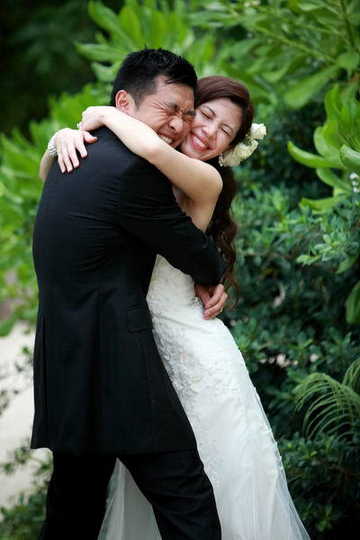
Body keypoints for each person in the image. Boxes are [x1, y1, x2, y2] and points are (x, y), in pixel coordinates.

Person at [44, 75, 310, 539]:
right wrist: (63, 140)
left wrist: (104, 115)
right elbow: (64, 186)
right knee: (140, 492)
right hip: (137, 348)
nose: (209, 133)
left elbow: (152, 151)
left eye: (226, 132)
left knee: (208, 481)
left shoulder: (201, 177)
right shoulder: (130, 168)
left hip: (190, 350)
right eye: (205, 116)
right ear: (186, 113)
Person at [32, 49, 229, 540]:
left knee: (73, 505)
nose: (181, 125)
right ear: (126, 102)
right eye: (170, 110)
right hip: (118, 361)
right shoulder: (132, 173)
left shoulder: (73, 155)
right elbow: (200, 257)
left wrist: (68, 132)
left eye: (189, 113)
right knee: (187, 500)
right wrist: (210, 268)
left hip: (64, 356)